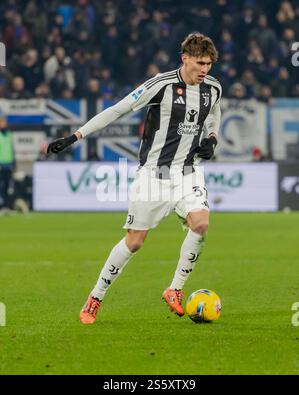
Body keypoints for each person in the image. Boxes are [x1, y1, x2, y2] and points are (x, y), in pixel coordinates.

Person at [47, 32, 222, 324]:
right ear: (185, 59)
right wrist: (75, 136)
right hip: (154, 176)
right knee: (135, 241)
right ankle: (95, 297)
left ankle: (175, 289)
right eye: (200, 63)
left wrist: (213, 137)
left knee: (201, 223)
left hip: (189, 173)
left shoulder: (213, 88)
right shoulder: (160, 85)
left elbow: (215, 112)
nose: (205, 70)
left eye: (209, 64)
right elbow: (117, 110)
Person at [0, 114, 15, 211]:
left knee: (7, 186)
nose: (3, 124)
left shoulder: (9, 134)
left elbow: (12, 149)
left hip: (8, 164)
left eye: (4, 122)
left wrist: (14, 162)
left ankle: (6, 205)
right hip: (0, 163)